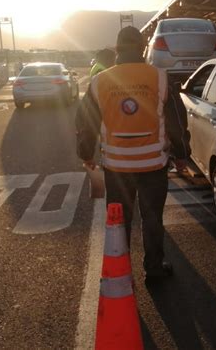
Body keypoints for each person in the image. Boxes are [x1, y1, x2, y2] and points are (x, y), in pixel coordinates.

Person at [76, 26, 190, 282]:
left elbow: (85, 122)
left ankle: (121, 273)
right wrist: (182, 154)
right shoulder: (160, 78)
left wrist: (86, 153)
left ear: (117, 50)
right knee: (152, 220)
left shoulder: (100, 81)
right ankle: (154, 270)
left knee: (119, 221)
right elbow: (176, 120)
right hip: (154, 166)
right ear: (142, 49)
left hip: (117, 168)